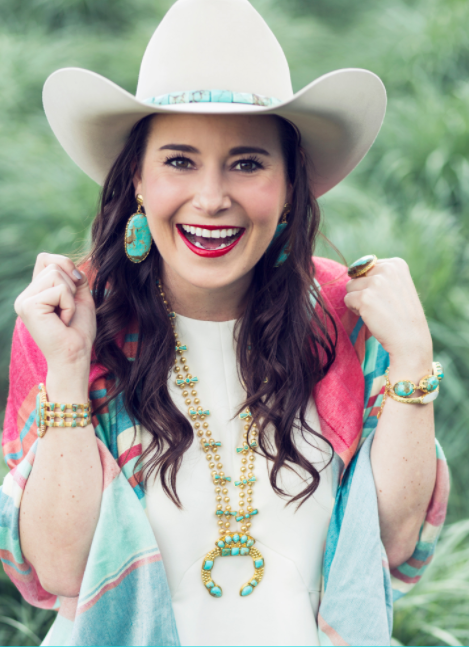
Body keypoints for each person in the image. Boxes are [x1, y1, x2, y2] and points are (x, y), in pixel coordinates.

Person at [0, 0, 449, 645]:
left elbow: (397, 544)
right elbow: (61, 570)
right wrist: (70, 371)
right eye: (179, 161)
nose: (212, 198)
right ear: (137, 179)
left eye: (247, 163)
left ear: (292, 182)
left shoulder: (350, 320)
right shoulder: (72, 321)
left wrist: (411, 363)